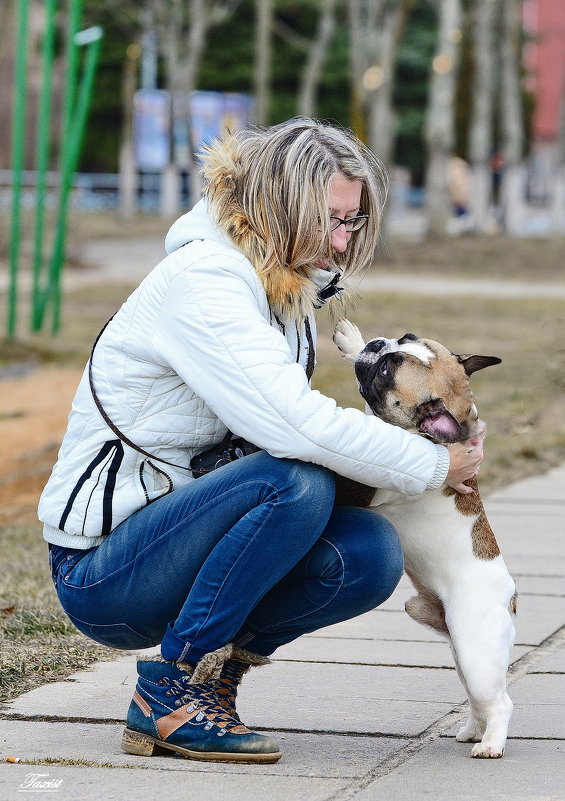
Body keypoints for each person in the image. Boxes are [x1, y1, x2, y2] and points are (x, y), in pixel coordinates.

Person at [39, 118, 482, 765]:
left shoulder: (282, 288)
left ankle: (214, 682)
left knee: (366, 553)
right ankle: (169, 693)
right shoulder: (207, 280)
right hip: (104, 572)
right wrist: (429, 462)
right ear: (279, 203)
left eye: (351, 222)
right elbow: (291, 424)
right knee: (292, 480)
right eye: (330, 219)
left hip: (183, 542)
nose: (341, 239)